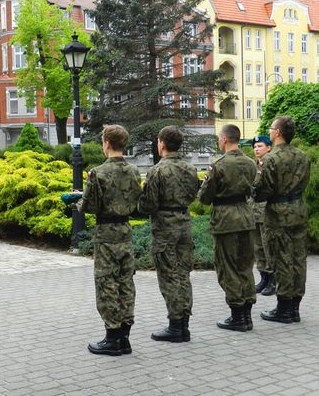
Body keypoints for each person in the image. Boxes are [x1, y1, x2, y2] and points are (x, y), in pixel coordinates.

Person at [75, 125, 142, 356]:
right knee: (126, 282)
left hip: (106, 233)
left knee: (107, 283)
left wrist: (77, 201)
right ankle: (124, 337)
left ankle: (112, 338)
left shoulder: (98, 173)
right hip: (125, 230)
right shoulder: (134, 171)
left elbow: (90, 206)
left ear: (106, 143)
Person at [138, 126, 198, 342]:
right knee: (183, 273)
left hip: (165, 226)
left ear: (162, 144)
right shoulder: (190, 168)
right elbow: (194, 194)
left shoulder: (157, 171)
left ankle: (175, 325)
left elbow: (148, 204)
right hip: (184, 222)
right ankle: (184, 324)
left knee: (168, 275)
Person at [197, 124, 256, 332]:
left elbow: (204, 197)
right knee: (245, 265)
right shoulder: (250, 162)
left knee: (228, 266)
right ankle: (247, 314)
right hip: (247, 216)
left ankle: (237, 316)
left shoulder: (218, 165)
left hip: (226, 220)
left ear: (223, 140)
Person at [253, 116, 311, 323]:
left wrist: (255, 193)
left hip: (278, 213)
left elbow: (262, 191)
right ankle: (295, 307)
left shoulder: (271, 158)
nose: (269, 131)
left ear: (277, 133)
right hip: (298, 209)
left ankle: (284, 308)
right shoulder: (302, 156)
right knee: (297, 259)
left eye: (271, 129)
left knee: (281, 258)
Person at [251, 136, 275, 296]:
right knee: (258, 248)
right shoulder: (254, 166)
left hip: (266, 212)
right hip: (253, 212)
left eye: (260, 146)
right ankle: (264, 278)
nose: (256, 149)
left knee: (268, 248)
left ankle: (273, 280)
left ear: (269, 148)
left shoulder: (271, 165)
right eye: (255, 146)